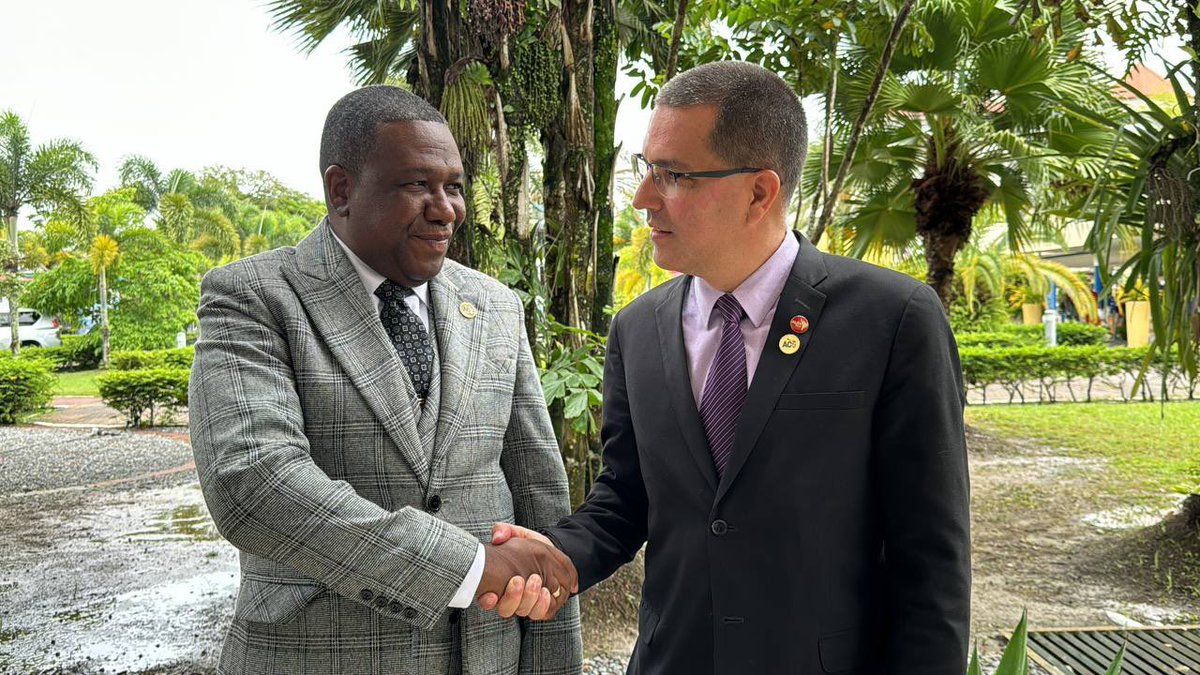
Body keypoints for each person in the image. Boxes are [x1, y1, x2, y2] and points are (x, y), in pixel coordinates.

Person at [487, 61, 971, 674]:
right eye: (647, 170)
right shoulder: (637, 330)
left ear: (759, 192)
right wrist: (560, 553)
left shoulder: (893, 319)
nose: (643, 199)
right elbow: (626, 497)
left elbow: (932, 555)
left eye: (674, 176)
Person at [189, 85, 581, 674]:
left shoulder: (495, 305)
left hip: (488, 656)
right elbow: (253, 483)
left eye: (454, 186)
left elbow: (539, 496)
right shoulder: (255, 297)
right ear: (341, 190)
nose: (445, 208)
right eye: (417, 185)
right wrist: (467, 567)